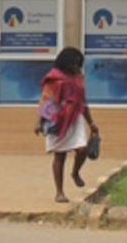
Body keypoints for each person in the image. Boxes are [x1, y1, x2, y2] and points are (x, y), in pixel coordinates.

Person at [35, 47, 98, 203]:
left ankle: (75, 172)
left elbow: (83, 102)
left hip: (75, 117)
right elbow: (46, 100)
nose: (76, 67)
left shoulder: (78, 78)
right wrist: (38, 122)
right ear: (66, 62)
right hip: (58, 118)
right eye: (74, 63)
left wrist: (91, 123)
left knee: (82, 149)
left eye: (79, 64)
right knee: (60, 156)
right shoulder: (54, 77)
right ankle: (59, 192)